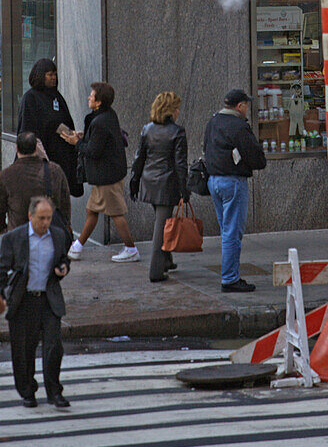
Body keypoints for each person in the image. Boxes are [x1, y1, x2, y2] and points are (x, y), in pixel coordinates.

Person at [0, 196, 71, 409]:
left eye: (48, 218)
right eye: (41, 218)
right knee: (23, 350)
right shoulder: (14, 238)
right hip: (23, 300)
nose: (45, 223)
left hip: (48, 299)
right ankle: (28, 391)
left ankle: (55, 392)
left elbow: (64, 258)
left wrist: (62, 268)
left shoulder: (57, 235)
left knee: (54, 348)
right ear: (30, 216)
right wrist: (0, 296)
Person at [66, 82, 139, 263]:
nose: (89, 98)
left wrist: (76, 143)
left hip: (107, 177)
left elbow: (94, 151)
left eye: (92, 96)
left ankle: (131, 248)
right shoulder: (106, 116)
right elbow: (99, 142)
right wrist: (84, 137)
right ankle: (77, 247)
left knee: (116, 213)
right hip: (106, 175)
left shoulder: (100, 121)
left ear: (98, 102)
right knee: (91, 211)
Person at [203, 88, 265, 293]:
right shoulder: (239, 126)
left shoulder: (213, 122)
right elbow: (256, 157)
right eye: (246, 105)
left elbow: (206, 148)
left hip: (214, 181)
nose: (247, 109)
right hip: (232, 182)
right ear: (240, 106)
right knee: (232, 233)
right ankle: (230, 279)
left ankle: (230, 275)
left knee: (226, 230)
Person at [129, 90, 189, 282]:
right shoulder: (177, 132)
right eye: (177, 108)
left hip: (149, 181)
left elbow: (139, 158)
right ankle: (156, 270)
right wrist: (184, 189)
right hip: (166, 183)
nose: (179, 111)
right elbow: (180, 164)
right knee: (161, 226)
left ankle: (167, 260)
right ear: (170, 110)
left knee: (162, 222)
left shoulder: (147, 129)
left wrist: (134, 181)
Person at [17, 59, 82, 198]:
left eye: (55, 74)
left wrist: (72, 134)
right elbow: (28, 129)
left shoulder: (55, 96)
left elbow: (58, 122)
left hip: (61, 156)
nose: (54, 78)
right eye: (50, 74)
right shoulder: (30, 98)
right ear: (41, 75)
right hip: (43, 157)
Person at [0, 131, 71, 234]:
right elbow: (65, 202)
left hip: (19, 234)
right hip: (50, 233)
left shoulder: (6, 175)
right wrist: (66, 224)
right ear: (36, 148)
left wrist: (1, 228)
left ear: (17, 148)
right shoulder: (54, 171)